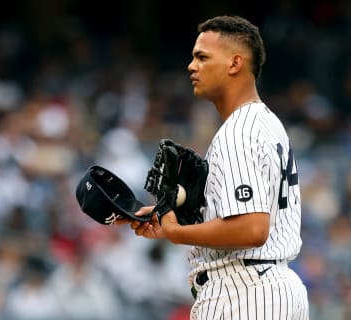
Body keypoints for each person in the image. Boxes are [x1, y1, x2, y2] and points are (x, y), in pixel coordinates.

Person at [123, 15, 309, 319]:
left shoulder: (240, 131)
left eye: (202, 57)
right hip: (266, 288)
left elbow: (252, 228)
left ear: (234, 64)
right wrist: (173, 222)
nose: (191, 66)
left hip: (245, 293)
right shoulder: (266, 123)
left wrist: (177, 233)